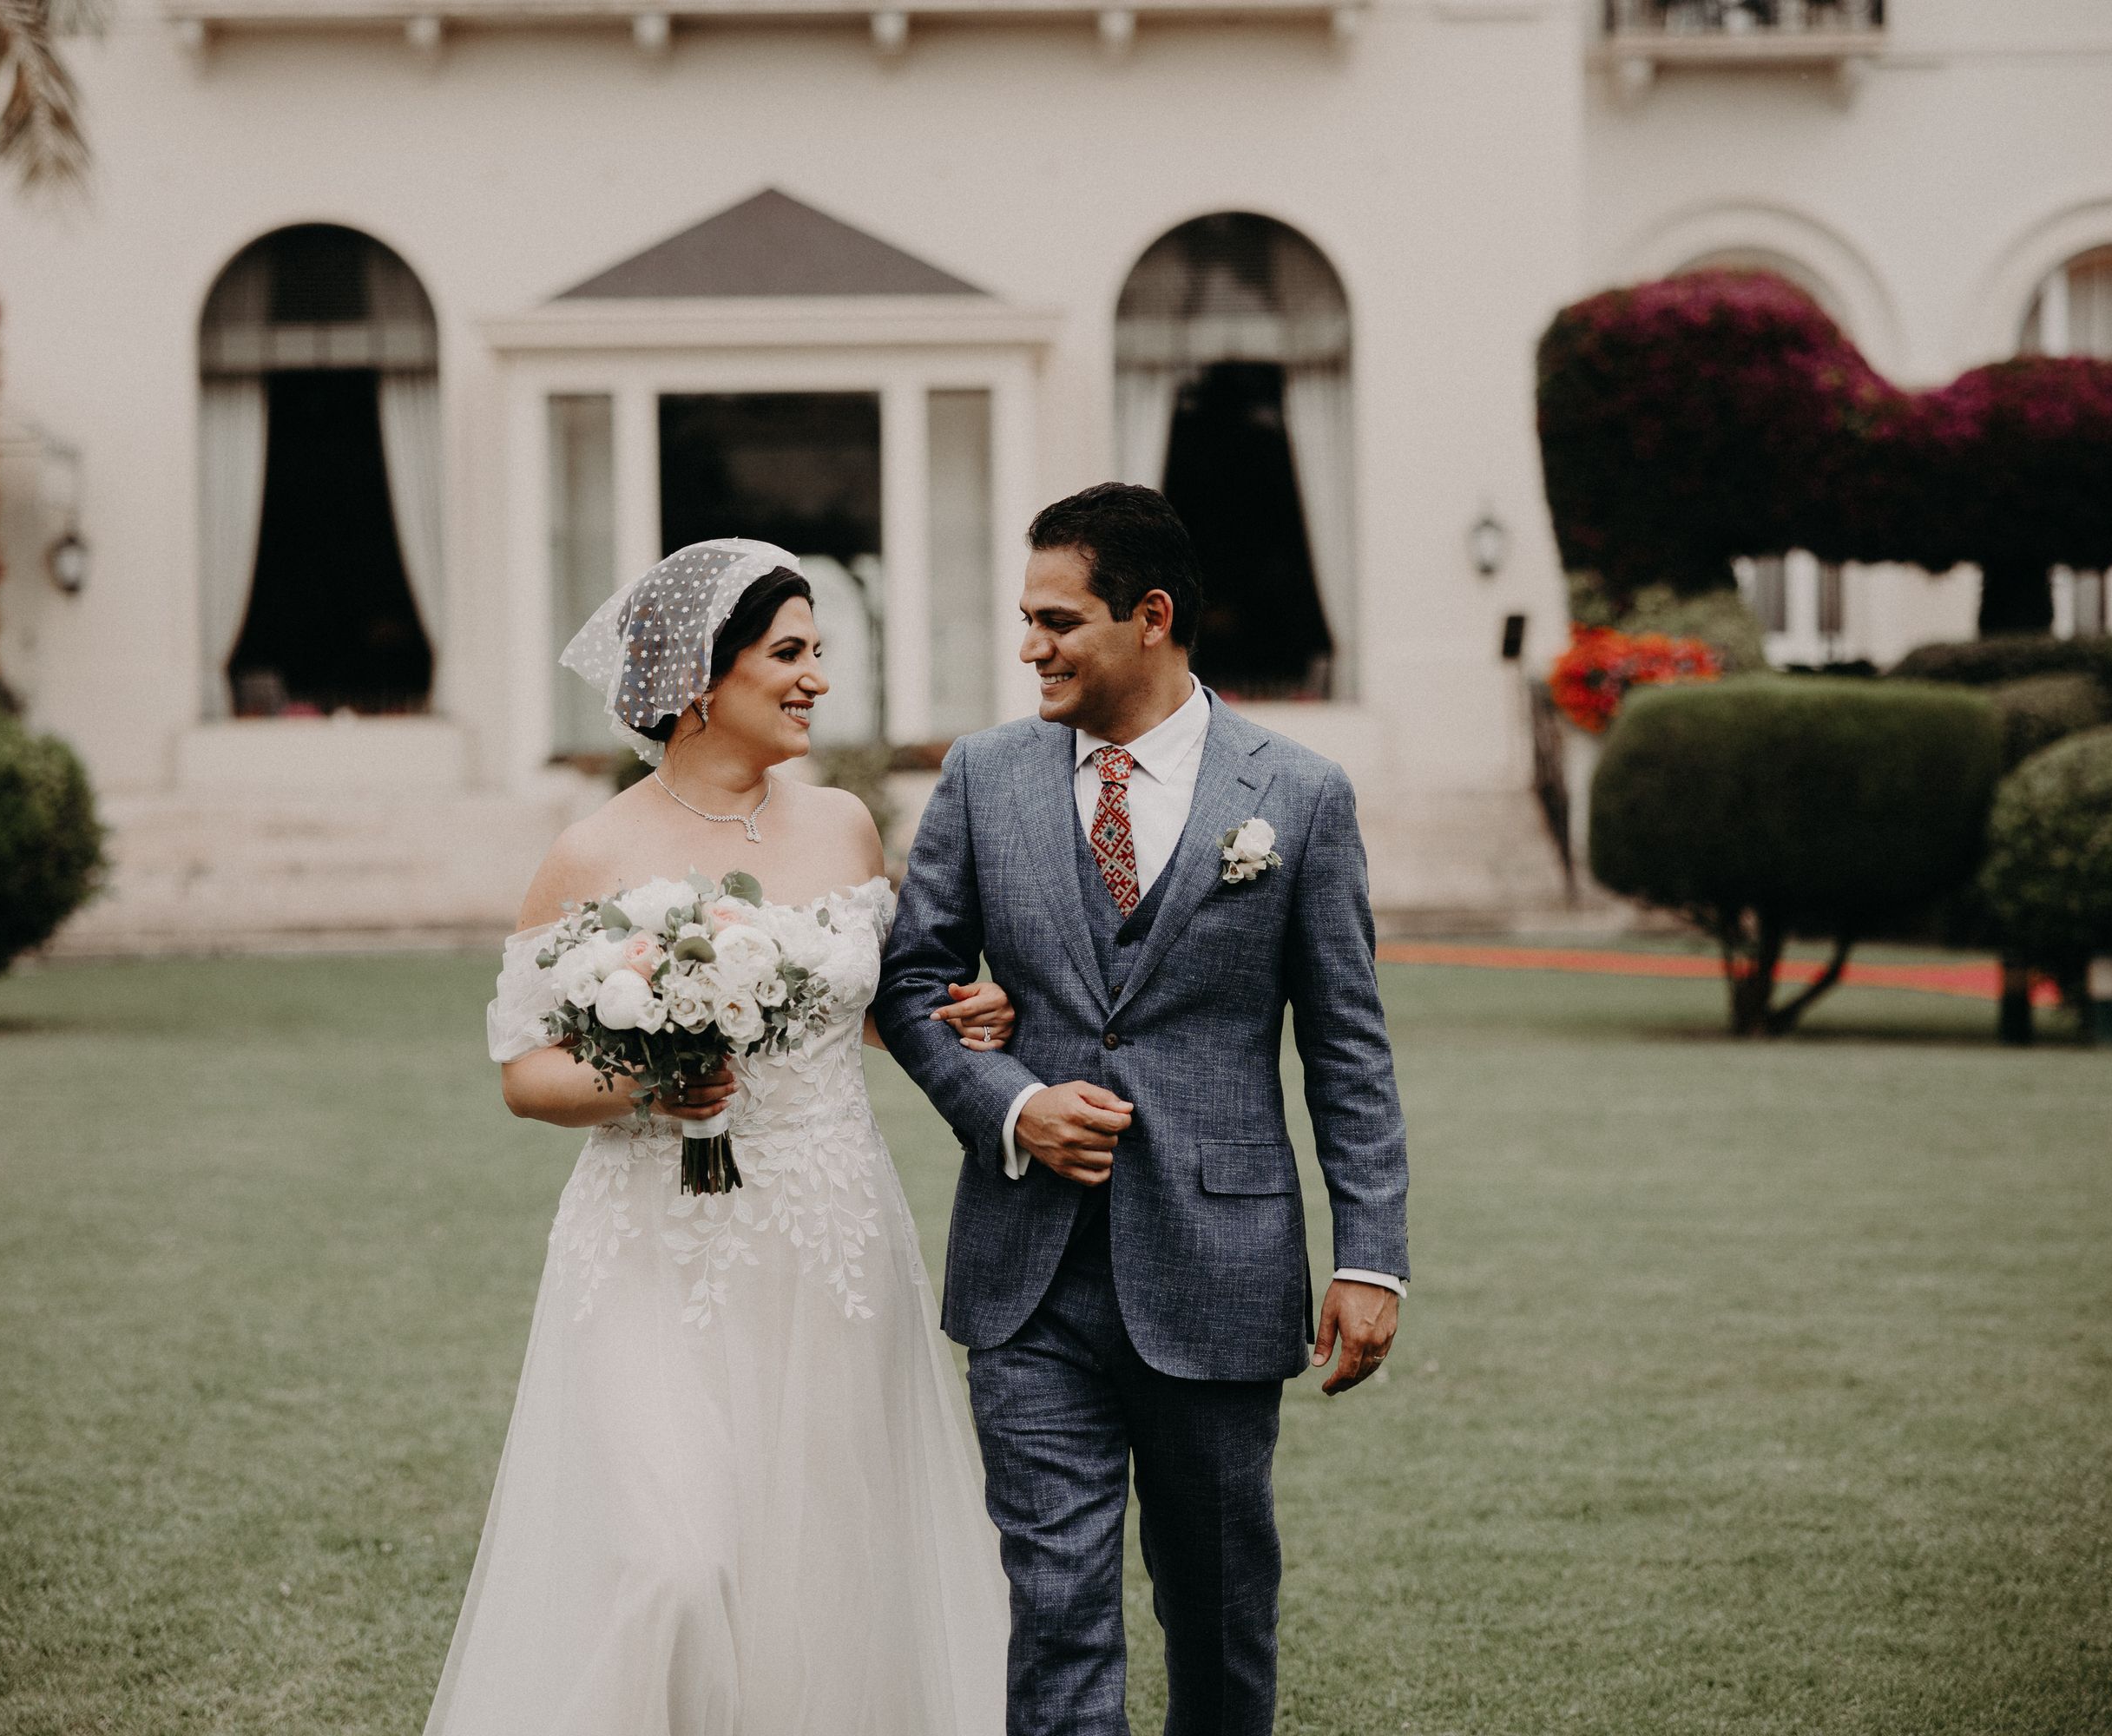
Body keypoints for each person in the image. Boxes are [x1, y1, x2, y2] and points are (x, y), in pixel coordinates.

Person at [428, 539, 1013, 1736]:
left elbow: (877, 1007)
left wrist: (970, 1015)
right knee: (676, 1567)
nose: (816, 680)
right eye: (789, 653)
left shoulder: (847, 827)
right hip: (655, 1246)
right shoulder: (594, 853)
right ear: (702, 679)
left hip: (831, 1241)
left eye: (818, 654)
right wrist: (651, 1081)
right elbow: (525, 1074)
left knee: (833, 1562)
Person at [878, 484, 1411, 1736]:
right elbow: (911, 984)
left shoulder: (1302, 795)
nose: (1029, 648)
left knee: (1220, 1607)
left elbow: (1347, 1045)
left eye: (1057, 620)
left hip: (1221, 1264)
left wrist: (1373, 1254)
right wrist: (1009, 1107)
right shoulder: (983, 776)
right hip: (1029, 1276)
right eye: (1026, 619)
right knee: (1053, 1607)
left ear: (1152, 616)